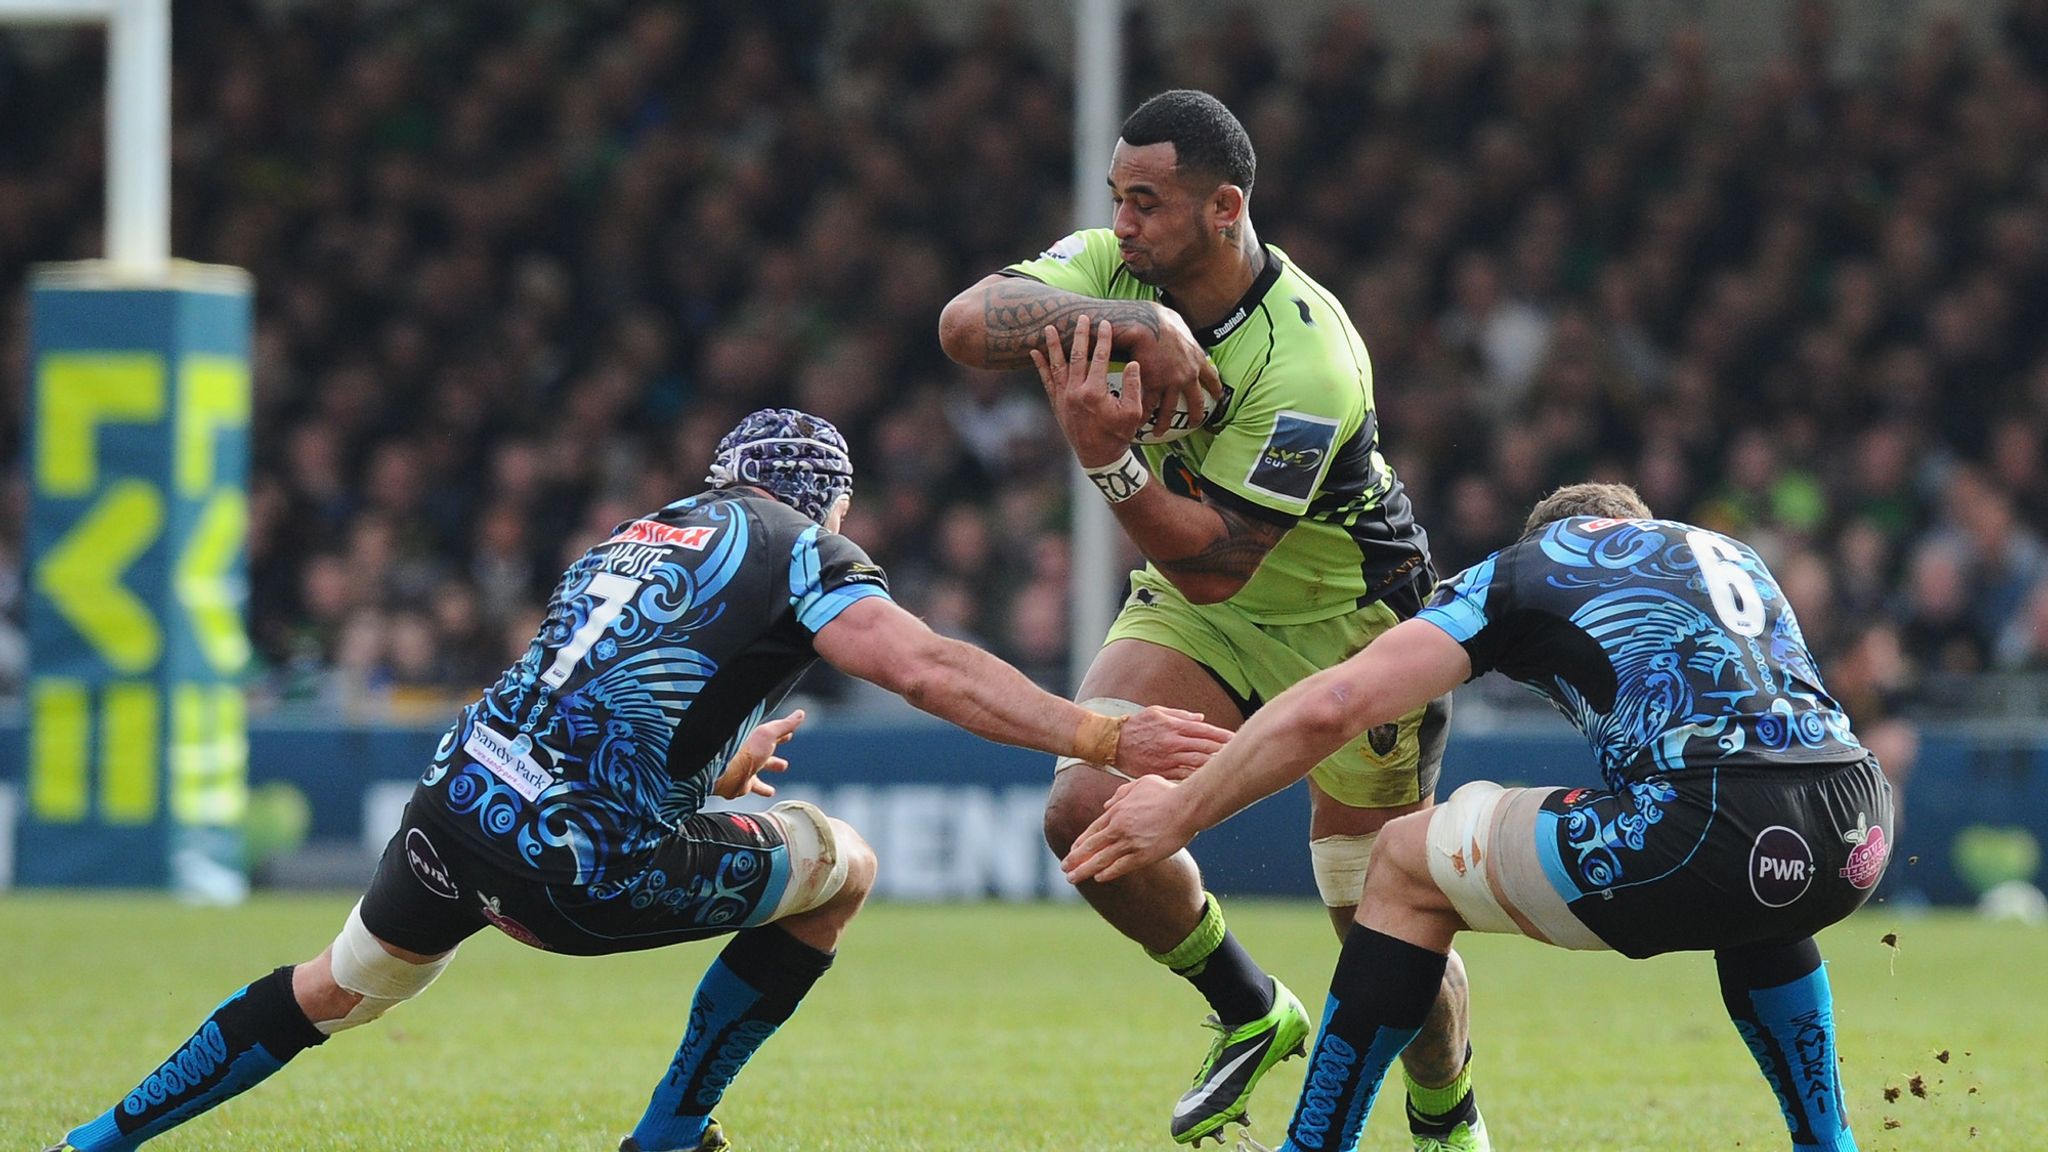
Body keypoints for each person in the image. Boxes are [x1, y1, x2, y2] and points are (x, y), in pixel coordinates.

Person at [44, 408, 1232, 1152]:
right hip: (576, 860)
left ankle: (93, 1141)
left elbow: (590, 698)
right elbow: (922, 666)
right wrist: (1099, 737)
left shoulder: (640, 529)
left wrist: (716, 759)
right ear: (828, 504)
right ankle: (669, 1134)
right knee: (839, 871)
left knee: (338, 986)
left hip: (454, 806)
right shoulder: (801, 547)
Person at [939, 89, 1488, 1150]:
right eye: (1116, 200)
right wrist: (1138, 323)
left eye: (1145, 203)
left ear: (1225, 206)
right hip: (1208, 619)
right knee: (1083, 814)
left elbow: (1214, 567)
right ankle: (1250, 1010)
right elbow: (964, 325)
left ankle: (1443, 1110)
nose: (1122, 224)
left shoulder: (1307, 360)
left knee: (1377, 923)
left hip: (1353, 628)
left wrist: (1104, 456)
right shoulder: (1114, 274)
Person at [1066, 482, 1894, 1152]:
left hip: (1704, 819)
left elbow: (1340, 702)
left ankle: (1313, 1147)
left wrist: (1182, 808)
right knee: (1752, 893)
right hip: (1855, 821)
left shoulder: (1533, 566)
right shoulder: (1729, 552)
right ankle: (1830, 1143)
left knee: (1398, 861)